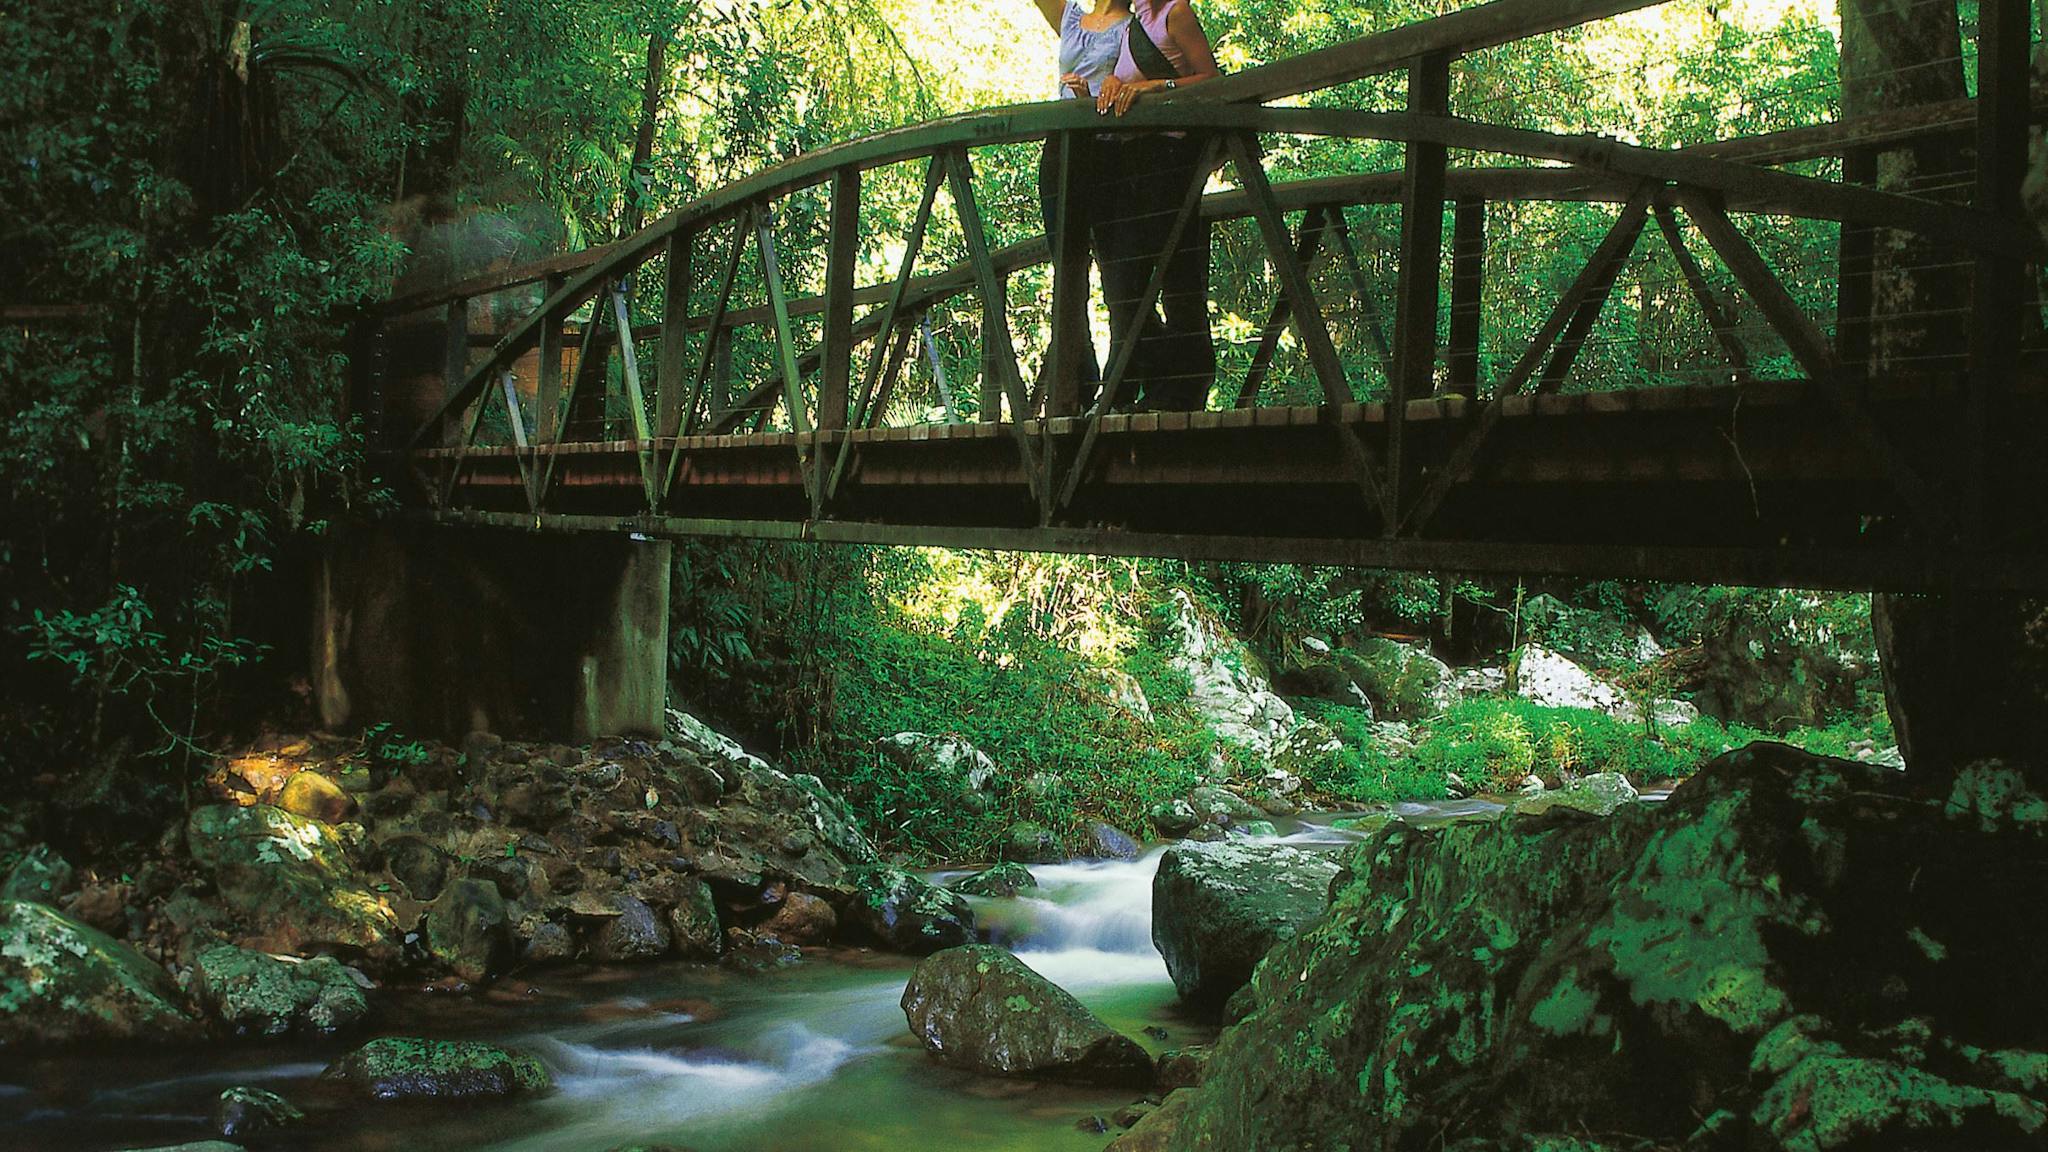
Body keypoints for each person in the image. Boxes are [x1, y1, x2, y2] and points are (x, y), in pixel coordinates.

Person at [1092, 0, 1221, 411]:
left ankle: (1184, 389)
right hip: (1133, 159)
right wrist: (1111, 82)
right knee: (1123, 277)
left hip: (1171, 157)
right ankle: (1141, 379)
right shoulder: (1136, 20)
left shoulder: (1175, 12)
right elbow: (1131, 75)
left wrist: (1157, 88)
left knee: (1175, 271)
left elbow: (1212, 82)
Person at [1030, 0, 1132, 404]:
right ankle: (1078, 383)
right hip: (1061, 147)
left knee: (1114, 267)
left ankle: (1120, 387)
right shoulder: (1072, 17)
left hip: (1107, 148)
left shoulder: (1133, 29)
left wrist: (1092, 96)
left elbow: (1134, 81)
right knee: (1067, 269)